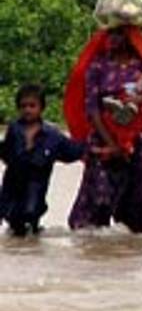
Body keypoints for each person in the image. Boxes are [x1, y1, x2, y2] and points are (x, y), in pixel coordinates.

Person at [65, 0, 142, 233]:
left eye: (120, 34)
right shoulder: (97, 65)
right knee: (95, 207)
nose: (113, 39)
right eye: (111, 33)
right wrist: (113, 145)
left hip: (138, 141)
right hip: (104, 141)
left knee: (135, 208)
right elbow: (91, 109)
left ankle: (127, 259)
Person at [0, 84, 88, 236]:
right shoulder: (14, 130)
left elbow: (72, 152)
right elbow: (5, 152)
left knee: (30, 219)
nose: (27, 110)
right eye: (23, 106)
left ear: (42, 108)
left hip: (36, 186)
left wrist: (93, 148)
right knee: (12, 221)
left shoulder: (52, 136)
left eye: (32, 106)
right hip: (12, 185)